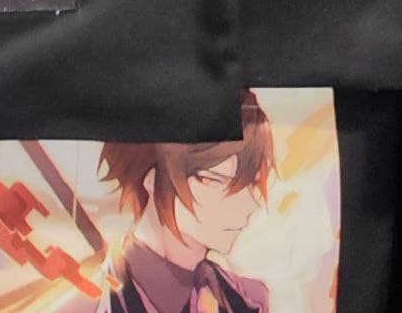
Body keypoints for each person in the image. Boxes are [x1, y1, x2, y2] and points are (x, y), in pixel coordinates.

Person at [96, 90, 275, 312]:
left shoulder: (248, 300)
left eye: (252, 184)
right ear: (151, 179)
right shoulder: (90, 304)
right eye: (214, 180)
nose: (249, 205)